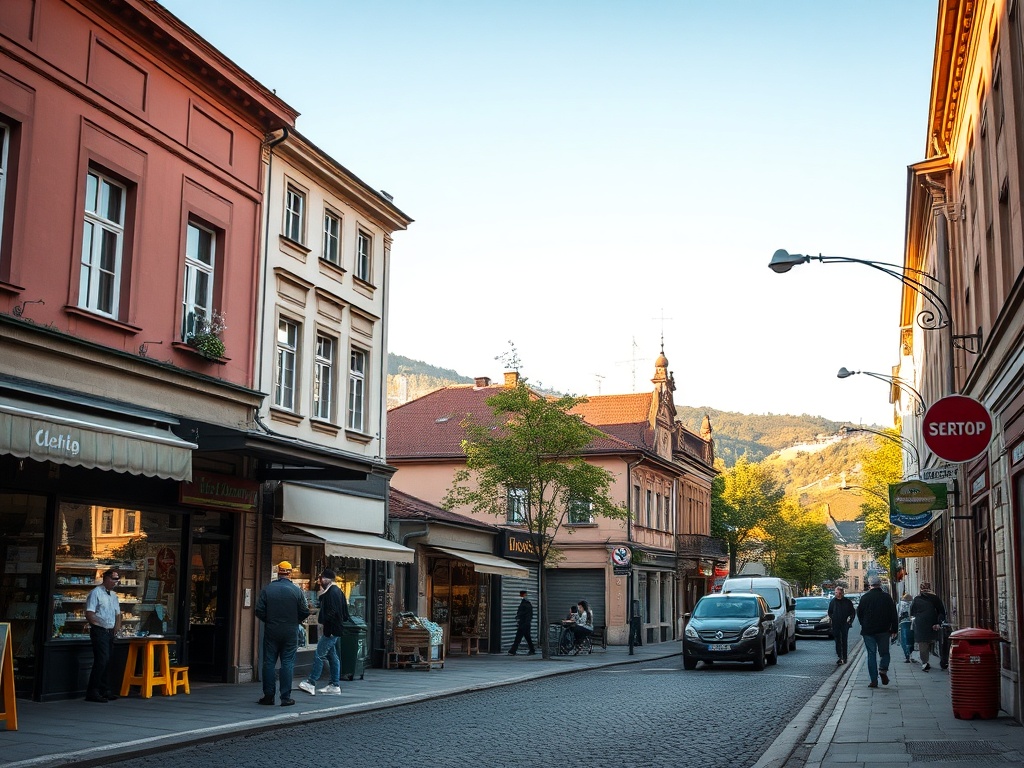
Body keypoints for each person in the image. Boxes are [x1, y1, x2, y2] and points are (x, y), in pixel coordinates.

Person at [255, 561, 310, 706]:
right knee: (287, 662)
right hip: (290, 630)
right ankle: (285, 697)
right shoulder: (297, 591)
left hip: (272, 629)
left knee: (269, 662)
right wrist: (295, 620)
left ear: (278, 572)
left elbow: (259, 610)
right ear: (290, 573)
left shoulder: (268, 589)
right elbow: (305, 611)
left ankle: (268, 696)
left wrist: (269, 620)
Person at [298, 568, 349, 697]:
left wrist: (329, 629)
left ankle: (311, 682)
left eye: (321, 579)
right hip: (334, 629)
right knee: (332, 656)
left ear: (327, 579)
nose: (319, 581)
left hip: (331, 630)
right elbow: (344, 612)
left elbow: (333, 612)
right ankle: (334, 685)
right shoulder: (336, 591)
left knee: (319, 655)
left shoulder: (332, 592)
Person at [84, 568, 122, 703]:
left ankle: (105, 689)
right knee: (101, 660)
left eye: (117, 579)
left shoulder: (113, 595)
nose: (115, 582)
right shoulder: (96, 593)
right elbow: (90, 613)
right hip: (100, 631)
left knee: (107, 661)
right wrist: (101, 625)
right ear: (106, 578)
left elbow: (118, 613)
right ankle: (92, 691)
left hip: (110, 631)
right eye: (113, 579)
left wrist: (116, 628)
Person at [856, 575, 899, 688]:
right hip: (884, 630)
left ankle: (873, 680)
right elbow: (893, 613)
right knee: (884, 653)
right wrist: (894, 629)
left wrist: (864, 624)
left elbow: (859, 613)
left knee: (871, 654)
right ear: (880, 584)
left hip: (868, 630)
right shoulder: (886, 597)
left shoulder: (865, 598)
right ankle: (883, 669)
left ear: (870, 585)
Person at [910, 581, 947, 671]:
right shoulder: (935, 598)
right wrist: (938, 622)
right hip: (933, 623)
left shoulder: (916, 599)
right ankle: (941, 661)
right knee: (936, 642)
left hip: (921, 624)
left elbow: (912, 612)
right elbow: (941, 611)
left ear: (921, 588)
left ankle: (925, 662)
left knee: (923, 643)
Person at [827, 586, 856, 665]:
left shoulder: (847, 602)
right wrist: (833, 617)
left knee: (844, 640)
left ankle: (844, 657)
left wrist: (849, 621)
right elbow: (830, 612)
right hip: (836, 624)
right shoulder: (833, 601)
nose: (837, 594)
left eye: (839, 593)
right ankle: (840, 656)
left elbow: (852, 613)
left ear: (842, 593)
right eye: (836, 592)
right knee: (837, 640)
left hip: (844, 624)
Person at [508, 590, 536, 655]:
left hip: (523, 623)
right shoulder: (527, 604)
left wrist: (518, 618)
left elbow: (522, 613)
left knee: (518, 637)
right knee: (527, 637)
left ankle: (512, 651)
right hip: (526, 623)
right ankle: (532, 650)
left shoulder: (524, 604)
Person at [897, 592, 915, 663]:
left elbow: (898, 614)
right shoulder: (913, 603)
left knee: (904, 640)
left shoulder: (900, 604)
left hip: (903, 623)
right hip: (912, 623)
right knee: (911, 639)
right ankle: (911, 654)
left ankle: (907, 655)